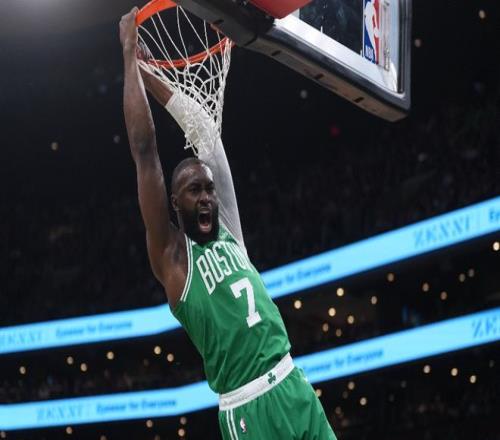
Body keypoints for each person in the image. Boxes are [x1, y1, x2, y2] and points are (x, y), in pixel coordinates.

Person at [119, 7, 337, 439]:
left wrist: (151, 76)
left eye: (208, 188)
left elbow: (205, 134)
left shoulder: (229, 231)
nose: (206, 196)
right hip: (247, 409)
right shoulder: (173, 259)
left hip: (292, 385)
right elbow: (145, 152)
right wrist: (129, 56)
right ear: (174, 204)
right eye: (193, 190)